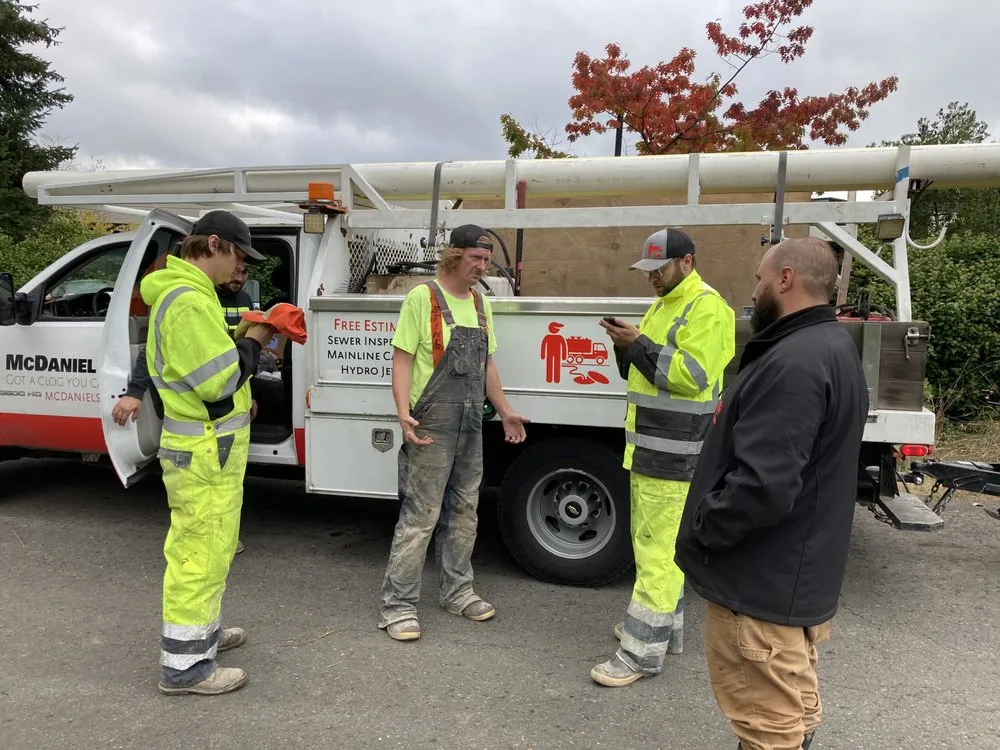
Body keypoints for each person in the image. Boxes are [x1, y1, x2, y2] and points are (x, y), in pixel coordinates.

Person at [674, 237, 869, 749]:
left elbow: (763, 485)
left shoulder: (794, 362)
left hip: (761, 591)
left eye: (761, 278)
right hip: (790, 583)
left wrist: (701, 531)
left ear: (786, 279)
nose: (755, 288)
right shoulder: (830, 347)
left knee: (768, 733)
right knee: (792, 722)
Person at [591, 227, 735, 687]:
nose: (651, 278)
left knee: (656, 551)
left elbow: (691, 375)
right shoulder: (665, 303)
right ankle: (663, 632)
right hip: (653, 447)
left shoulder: (707, 306)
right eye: (647, 270)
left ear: (686, 263)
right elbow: (646, 369)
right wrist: (624, 346)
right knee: (655, 544)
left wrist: (639, 345)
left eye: (659, 269)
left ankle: (639, 654)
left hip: (675, 453)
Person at [140, 209, 275, 696]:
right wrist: (258, 341)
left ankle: (204, 637)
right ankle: (186, 670)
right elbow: (217, 381)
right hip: (202, 452)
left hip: (206, 449)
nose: (241, 266)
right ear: (214, 244)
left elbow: (205, 370)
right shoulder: (188, 302)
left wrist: (245, 356)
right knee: (198, 554)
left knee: (211, 548)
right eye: (239, 254)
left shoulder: (189, 296)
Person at [378, 224, 529, 642]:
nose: (482, 266)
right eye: (475, 259)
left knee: (465, 511)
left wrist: (506, 412)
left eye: (486, 259)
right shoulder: (421, 299)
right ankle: (398, 605)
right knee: (421, 515)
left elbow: (487, 367)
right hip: (431, 422)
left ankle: (458, 591)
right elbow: (402, 360)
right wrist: (402, 412)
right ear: (453, 256)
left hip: (470, 423)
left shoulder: (481, 304)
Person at [113, 260, 263, 554]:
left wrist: (247, 393)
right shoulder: (194, 302)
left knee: (222, 498)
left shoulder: (242, 300)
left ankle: (220, 539)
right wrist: (134, 391)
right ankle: (206, 542)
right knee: (199, 522)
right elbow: (157, 350)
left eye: (244, 272)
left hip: (227, 407)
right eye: (234, 267)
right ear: (214, 249)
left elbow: (229, 361)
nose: (238, 276)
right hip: (200, 430)